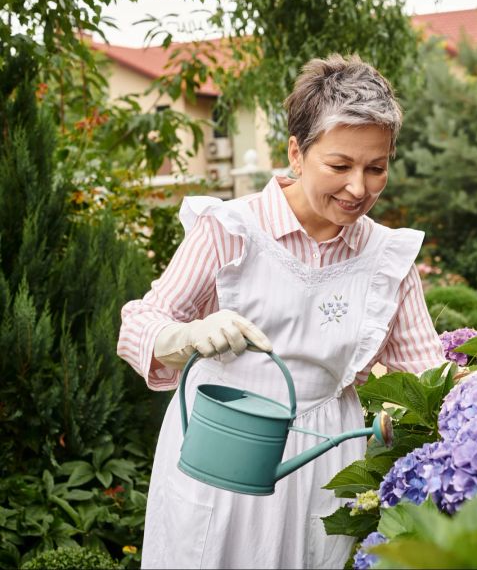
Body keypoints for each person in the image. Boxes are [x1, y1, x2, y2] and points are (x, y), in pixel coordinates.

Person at [117, 54, 446, 569]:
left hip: (324, 462)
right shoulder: (231, 230)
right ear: (296, 152)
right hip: (221, 454)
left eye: (376, 168)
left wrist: (472, 389)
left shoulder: (387, 261)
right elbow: (139, 322)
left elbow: (428, 376)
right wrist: (188, 334)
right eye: (339, 166)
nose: (359, 188)